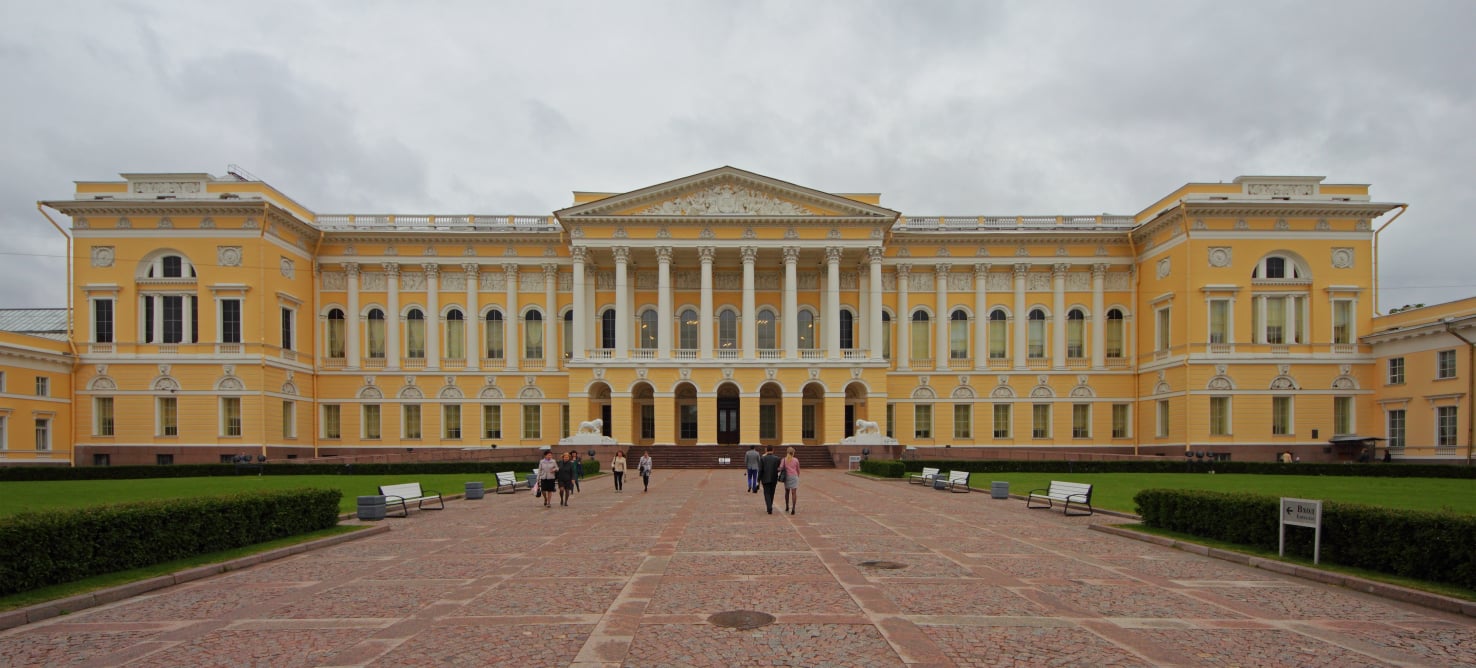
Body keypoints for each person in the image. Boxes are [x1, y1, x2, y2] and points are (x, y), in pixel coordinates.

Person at [757, 446, 782, 514]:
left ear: (766, 450)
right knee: (772, 493)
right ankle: (770, 506)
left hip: (765, 479)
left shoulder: (762, 458)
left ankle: (769, 507)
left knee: (766, 493)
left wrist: (758, 480)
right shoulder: (777, 458)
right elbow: (779, 469)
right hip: (774, 478)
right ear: (773, 450)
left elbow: (760, 470)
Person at [781, 446, 801, 515]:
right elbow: (798, 469)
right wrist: (797, 476)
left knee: (787, 492)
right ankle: (793, 508)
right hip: (794, 477)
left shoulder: (784, 459)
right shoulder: (796, 460)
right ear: (793, 453)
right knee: (794, 493)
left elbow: (781, 468)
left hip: (787, 477)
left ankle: (787, 506)